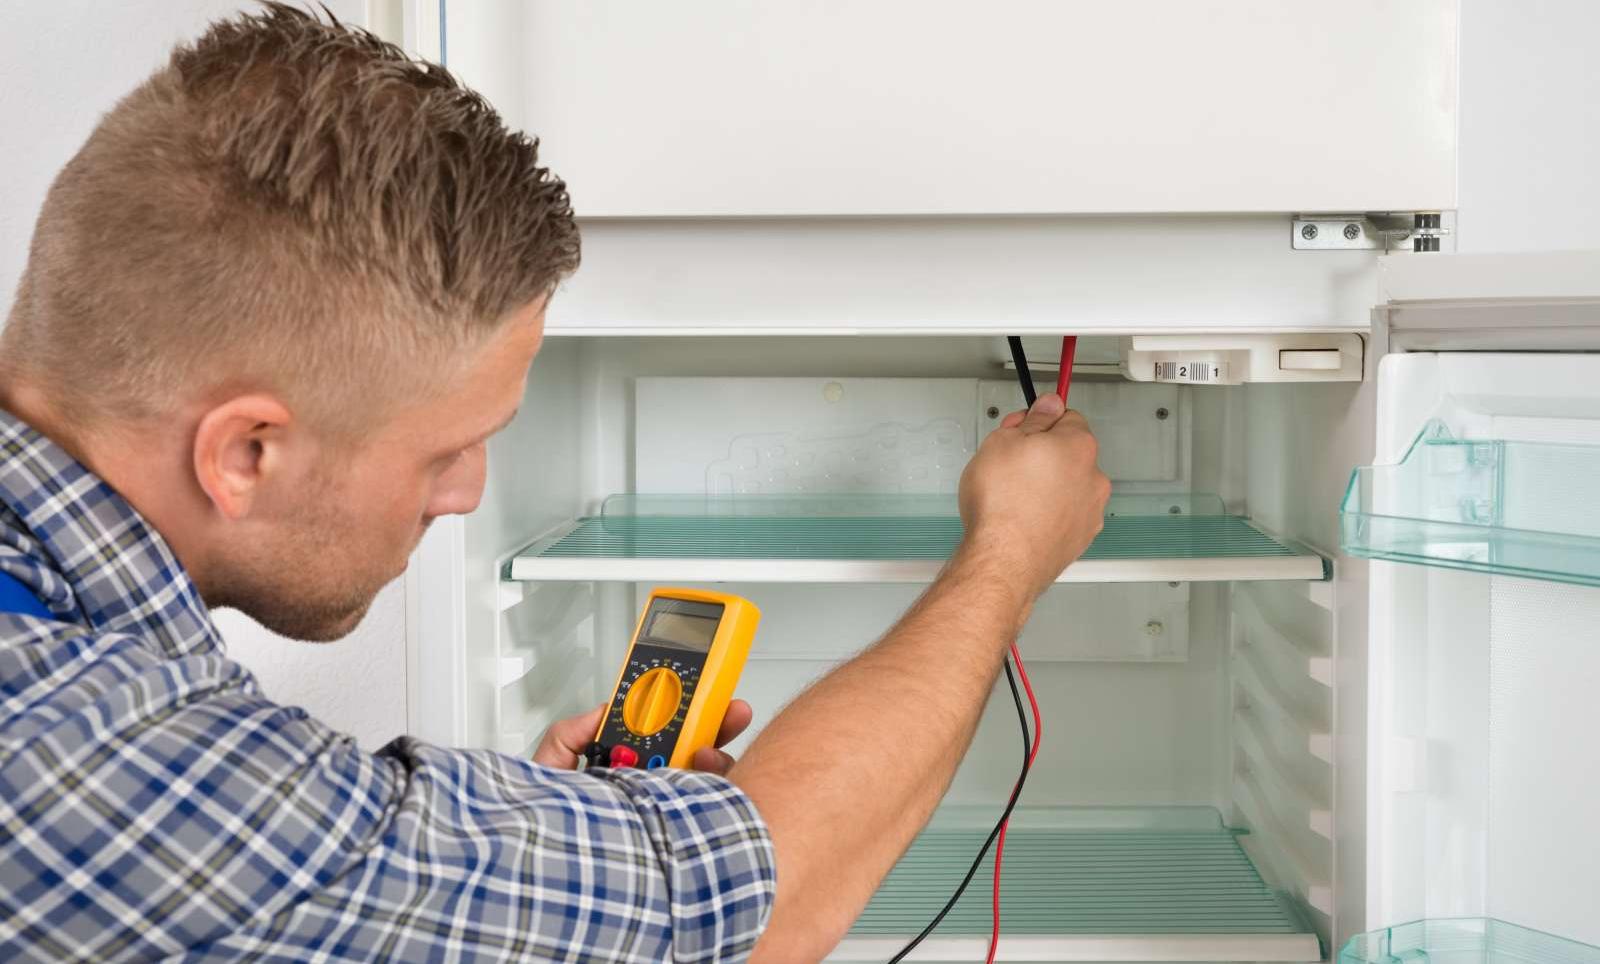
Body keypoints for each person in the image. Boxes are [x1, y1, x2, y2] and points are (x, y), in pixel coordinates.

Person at [0, 5, 1109, 962]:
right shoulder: (89, 759)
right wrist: (1011, 549)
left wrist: (509, 877)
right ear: (246, 453)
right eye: (445, 449)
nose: (467, 495)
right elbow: (757, 901)